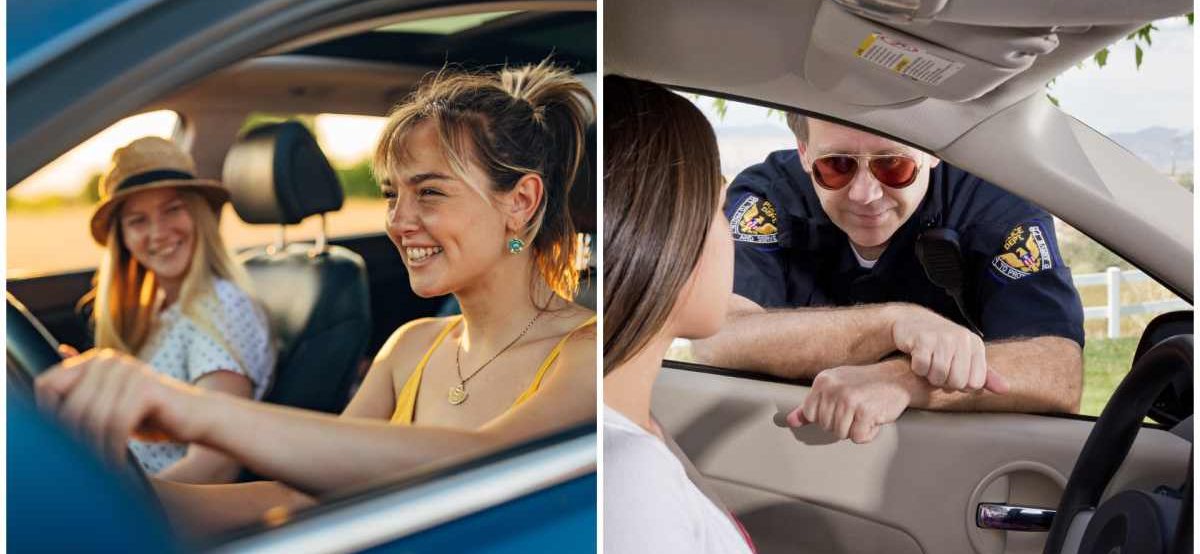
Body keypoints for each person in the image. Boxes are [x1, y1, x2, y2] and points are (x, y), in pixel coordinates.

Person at [36, 62, 597, 533]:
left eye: (429, 192)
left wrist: (194, 412)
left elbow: (479, 469)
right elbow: (302, 498)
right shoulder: (409, 347)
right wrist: (111, 485)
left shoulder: (588, 354)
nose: (399, 222)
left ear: (521, 201)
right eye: (390, 196)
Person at [693, 113, 1085, 444]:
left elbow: (1057, 370)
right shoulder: (768, 197)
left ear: (931, 151)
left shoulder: (994, 203)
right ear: (804, 153)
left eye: (893, 165)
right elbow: (718, 336)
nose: (865, 193)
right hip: (785, 444)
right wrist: (893, 324)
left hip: (941, 453)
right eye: (837, 166)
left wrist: (903, 380)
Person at [603, 75, 754, 554]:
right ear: (668, 229)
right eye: (719, 206)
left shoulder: (636, 426)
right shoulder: (628, 472)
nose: (728, 233)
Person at [82, 136, 274, 483]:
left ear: (199, 215)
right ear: (122, 238)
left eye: (172, 209)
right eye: (138, 220)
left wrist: (123, 512)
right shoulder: (155, 309)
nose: (158, 233)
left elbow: (217, 462)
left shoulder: (220, 308)